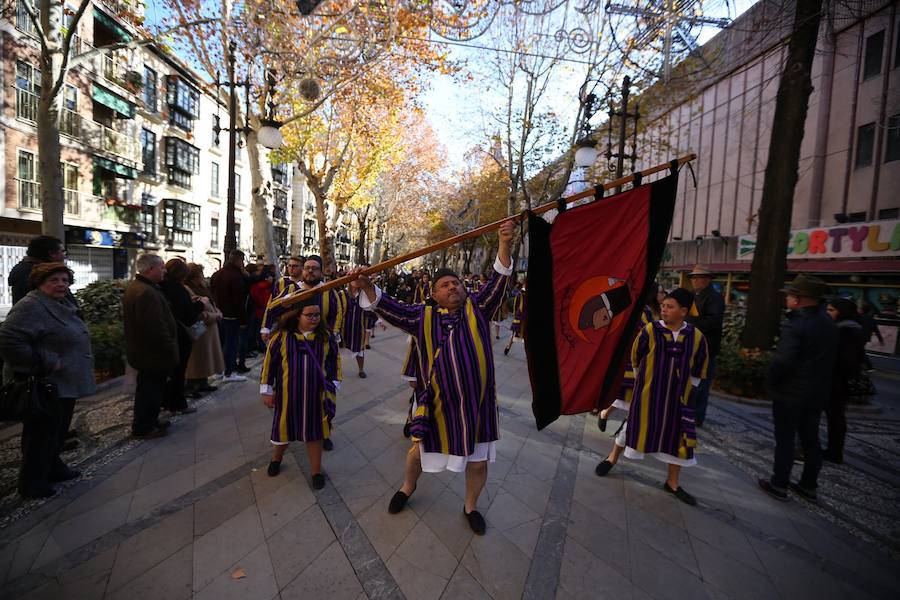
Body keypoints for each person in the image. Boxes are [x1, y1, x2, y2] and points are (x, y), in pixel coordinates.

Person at [348, 219, 515, 535]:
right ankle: (407, 487)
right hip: (437, 404)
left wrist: (504, 243)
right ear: (434, 295)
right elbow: (388, 306)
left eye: (456, 283)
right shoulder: (420, 316)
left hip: (476, 406)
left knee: (478, 463)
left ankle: (470, 507)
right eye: (445, 285)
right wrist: (367, 284)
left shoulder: (478, 308)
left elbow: (498, 280)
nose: (453, 287)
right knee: (416, 453)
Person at [0, 263, 95, 498]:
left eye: (64, 280)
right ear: (39, 283)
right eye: (54, 280)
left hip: (64, 381)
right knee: (40, 435)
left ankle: (53, 468)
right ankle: (32, 483)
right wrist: (46, 362)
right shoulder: (31, 305)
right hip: (45, 382)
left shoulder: (60, 303)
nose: (61, 284)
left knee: (57, 430)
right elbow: (8, 340)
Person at [621, 288, 709, 506]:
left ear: (683, 311)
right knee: (635, 428)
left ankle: (673, 483)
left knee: (677, 439)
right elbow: (635, 356)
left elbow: (700, 366)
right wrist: (644, 380)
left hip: (678, 401)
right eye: (663, 306)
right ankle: (612, 458)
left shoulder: (696, 337)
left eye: (670, 307)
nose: (664, 310)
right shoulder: (651, 330)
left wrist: (687, 389)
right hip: (648, 396)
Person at [758, 274, 837, 502]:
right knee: (810, 438)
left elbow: (783, 361)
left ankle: (779, 483)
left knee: (785, 438)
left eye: (790, 295)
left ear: (799, 299)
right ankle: (809, 484)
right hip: (817, 392)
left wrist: (771, 380)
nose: (787, 299)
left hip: (791, 392)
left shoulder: (797, 324)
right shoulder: (828, 324)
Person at [260, 298, 341, 490]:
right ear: (297, 315)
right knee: (283, 432)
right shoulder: (280, 336)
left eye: (317, 315)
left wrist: (334, 382)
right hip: (288, 397)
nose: (314, 319)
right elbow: (269, 364)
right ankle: (276, 459)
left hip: (316, 396)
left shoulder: (326, 336)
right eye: (309, 315)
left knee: (314, 434)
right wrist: (266, 390)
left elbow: (334, 360)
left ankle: (315, 472)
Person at [594, 306, 655, 475]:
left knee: (629, 402)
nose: (665, 306)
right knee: (627, 400)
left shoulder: (649, 313)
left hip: (643, 367)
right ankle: (612, 455)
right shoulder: (635, 308)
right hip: (629, 361)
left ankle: (605, 415)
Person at [123, 254, 178, 439]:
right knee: (149, 390)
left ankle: (150, 420)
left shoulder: (144, 287)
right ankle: (143, 426)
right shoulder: (145, 291)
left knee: (152, 389)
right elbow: (154, 325)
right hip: (151, 352)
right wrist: (169, 346)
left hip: (148, 351)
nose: (164, 271)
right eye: (162, 267)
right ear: (151, 269)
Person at [823, 297, 866, 465]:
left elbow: (845, 359)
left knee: (835, 417)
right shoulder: (849, 328)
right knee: (835, 416)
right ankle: (832, 450)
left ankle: (834, 452)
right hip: (838, 380)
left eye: (831, 310)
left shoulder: (846, 330)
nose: (827, 313)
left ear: (842, 312)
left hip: (837, 381)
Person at [159, 259, 204, 414]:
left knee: (170, 372)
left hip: (170, 332)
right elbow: (187, 313)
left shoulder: (161, 286)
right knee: (178, 371)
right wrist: (201, 304)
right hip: (180, 334)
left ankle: (166, 402)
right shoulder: (177, 289)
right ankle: (178, 403)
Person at [685, 265, 724, 428]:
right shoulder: (693, 295)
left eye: (698, 277)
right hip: (691, 344)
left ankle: (697, 415)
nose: (694, 281)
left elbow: (712, 322)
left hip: (706, 346)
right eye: (693, 278)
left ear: (707, 279)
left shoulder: (714, 298)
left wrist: (688, 321)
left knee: (702, 382)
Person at [183, 263, 225, 396]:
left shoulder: (201, 287)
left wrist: (217, 311)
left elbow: (211, 302)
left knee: (206, 357)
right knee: (197, 359)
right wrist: (213, 315)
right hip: (201, 327)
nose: (202, 276)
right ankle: (192, 385)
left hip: (209, 328)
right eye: (200, 273)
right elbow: (195, 311)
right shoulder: (188, 289)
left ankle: (203, 382)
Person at [211, 250, 251, 380]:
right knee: (231, 344)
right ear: (239, 261)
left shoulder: (216, 274)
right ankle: (228, 371)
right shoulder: (235, 277)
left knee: (222, 343)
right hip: (232, 316)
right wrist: (243, 319)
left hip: (219, 313)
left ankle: (219, 370)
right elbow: (238, 300)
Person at [8, 235, 68, 305]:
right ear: (52, 254)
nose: (61, 284)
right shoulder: (35, 274)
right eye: (63, 252)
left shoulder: (24, 270)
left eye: (64, 280)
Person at [504, 281, 527, 355]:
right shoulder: (521, 293)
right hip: (521, 316)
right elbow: (516, 304)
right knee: (515, 334)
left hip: (522, 316)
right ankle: (508, 347)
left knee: (518, 334)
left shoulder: (521, 293)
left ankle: (508, 347)